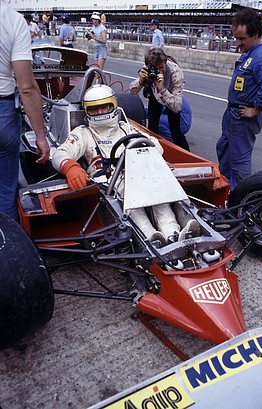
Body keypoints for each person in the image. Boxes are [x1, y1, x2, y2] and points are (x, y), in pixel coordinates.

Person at [51, 84, 199, 246]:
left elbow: (156, 146)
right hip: (111, 186)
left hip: (141, 177)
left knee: (160, 190)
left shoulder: (126, 128)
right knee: (131, 201)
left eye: (105, 107)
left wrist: (146, 150)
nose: (100, 113)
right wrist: (70, 167)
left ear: (114, 106)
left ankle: (174, 233)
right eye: (94, 109)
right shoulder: (83, 133)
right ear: (87, 111)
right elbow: (60, 153)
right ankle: (150, 238)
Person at [0, 1, 50, 220]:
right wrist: (41, 136)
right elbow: (27, 88)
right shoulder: (13, 20)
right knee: (5, 193)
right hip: (3, 111)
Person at [216, 8, 262, 191]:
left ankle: (241, 204)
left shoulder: (260, 57)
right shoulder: (250, 53)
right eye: (236, 38)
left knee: (239, 163)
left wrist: (255, 109)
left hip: (242, 117)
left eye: (242, 39)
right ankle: (226, 195)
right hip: (233, 115)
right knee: (224, 153)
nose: (238, 43)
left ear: (256, 34)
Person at [130, 48, 190, 151]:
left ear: (165, 62)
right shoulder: (147, 69)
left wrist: (162, 89)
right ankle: (153, 151)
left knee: (175, 130)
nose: (160, 71)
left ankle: (186, 155)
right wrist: (141, 80)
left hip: (170, 94)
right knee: (152, 127)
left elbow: (177, 107)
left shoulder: (176, 73)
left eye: (162, 68)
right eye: (156, 69)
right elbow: (132, 91)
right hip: (155, 94)